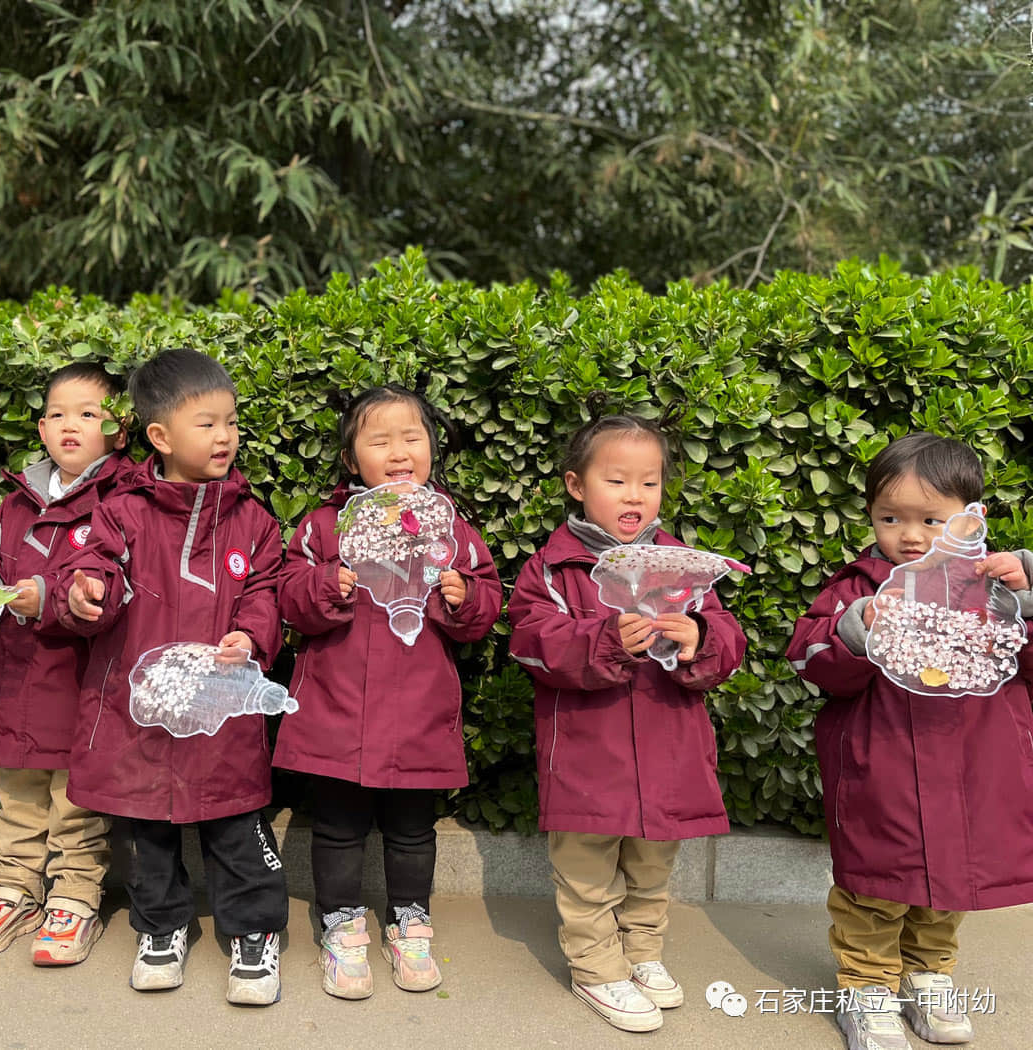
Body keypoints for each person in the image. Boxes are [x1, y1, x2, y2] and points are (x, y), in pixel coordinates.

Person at [53, 348, 287, 1006]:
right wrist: (85, 592)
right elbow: (96, 567)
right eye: (207, 424)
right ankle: (160, 927)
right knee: (148, 830)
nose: (225, 436)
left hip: (221, 711)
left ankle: (255, 933)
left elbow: (265, 588)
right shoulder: (121, 512)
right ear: (160, 436)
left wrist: (253, 633)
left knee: (238, 825)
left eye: (232, 422)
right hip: (141, 710)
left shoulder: (253, 520)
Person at [786, 432, 1033, 1050]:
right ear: (870, 516)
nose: (911, 535)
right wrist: (858, 626)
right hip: (884, 765)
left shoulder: (994, 588)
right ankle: (866, 987)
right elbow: (811, 657)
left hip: (972, 765)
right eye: (890, 518)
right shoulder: (858, 586)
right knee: (874, 884)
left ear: (970, 518)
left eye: (931, 519)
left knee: (948, 885)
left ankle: (930, 977)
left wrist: (1025, 603)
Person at [508, 414, 746, 1033]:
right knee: (585, 871)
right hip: (590, 753)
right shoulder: (554, 570)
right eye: (616, 480)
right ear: (576, 486)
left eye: (649, 482)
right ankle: (595, 967)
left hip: (669, 748)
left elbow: (726, 638)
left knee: (652, 865)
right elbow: (533, 643)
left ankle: (641, 952)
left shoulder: (685, 566)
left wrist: (698, 637)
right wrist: (604, 639)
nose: (635, 495)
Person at [273, 384, 502, 1000]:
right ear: (352, 460)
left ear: (432, 447)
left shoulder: (451, 525)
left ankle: (410, 919)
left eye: (413, 437)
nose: (400, 451)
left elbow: (486, 601)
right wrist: (329, 586)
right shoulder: (325, 524)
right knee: (338, 827)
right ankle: (341, 921)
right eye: (380, 440)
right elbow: (289, 595)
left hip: (417, 710)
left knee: (412, 831)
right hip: (336, 708)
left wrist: (466, 598)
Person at [0, 362, 129, 965]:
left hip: (79, 684)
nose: (70, 426)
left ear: (119, 431)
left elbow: (112, 585)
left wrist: (51, 600)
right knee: (19, 794)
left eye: (88, 414)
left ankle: (75, 896)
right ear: (41, 427)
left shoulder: (119, 501)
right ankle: (13, 888)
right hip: (15, 677)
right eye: (58, 414)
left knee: (75, 800)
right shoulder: (16, 501)